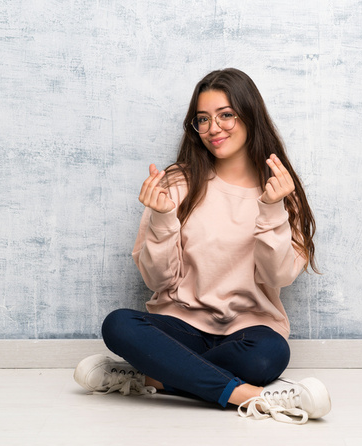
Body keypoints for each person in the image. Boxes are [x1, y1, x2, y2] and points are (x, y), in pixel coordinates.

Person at [73, 68, 331, 424]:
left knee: (267, 355)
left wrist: (272, 210)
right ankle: (253, 396)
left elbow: (279, 276)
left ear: (250, 117)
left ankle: (152, 378)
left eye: (226, 115)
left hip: (247, 333)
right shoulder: (178, 183)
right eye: (203, 119)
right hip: (180, 328)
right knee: (118, 325)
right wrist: (162, 218)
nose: (214, 128)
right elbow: (158, 281)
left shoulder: (280, 190)